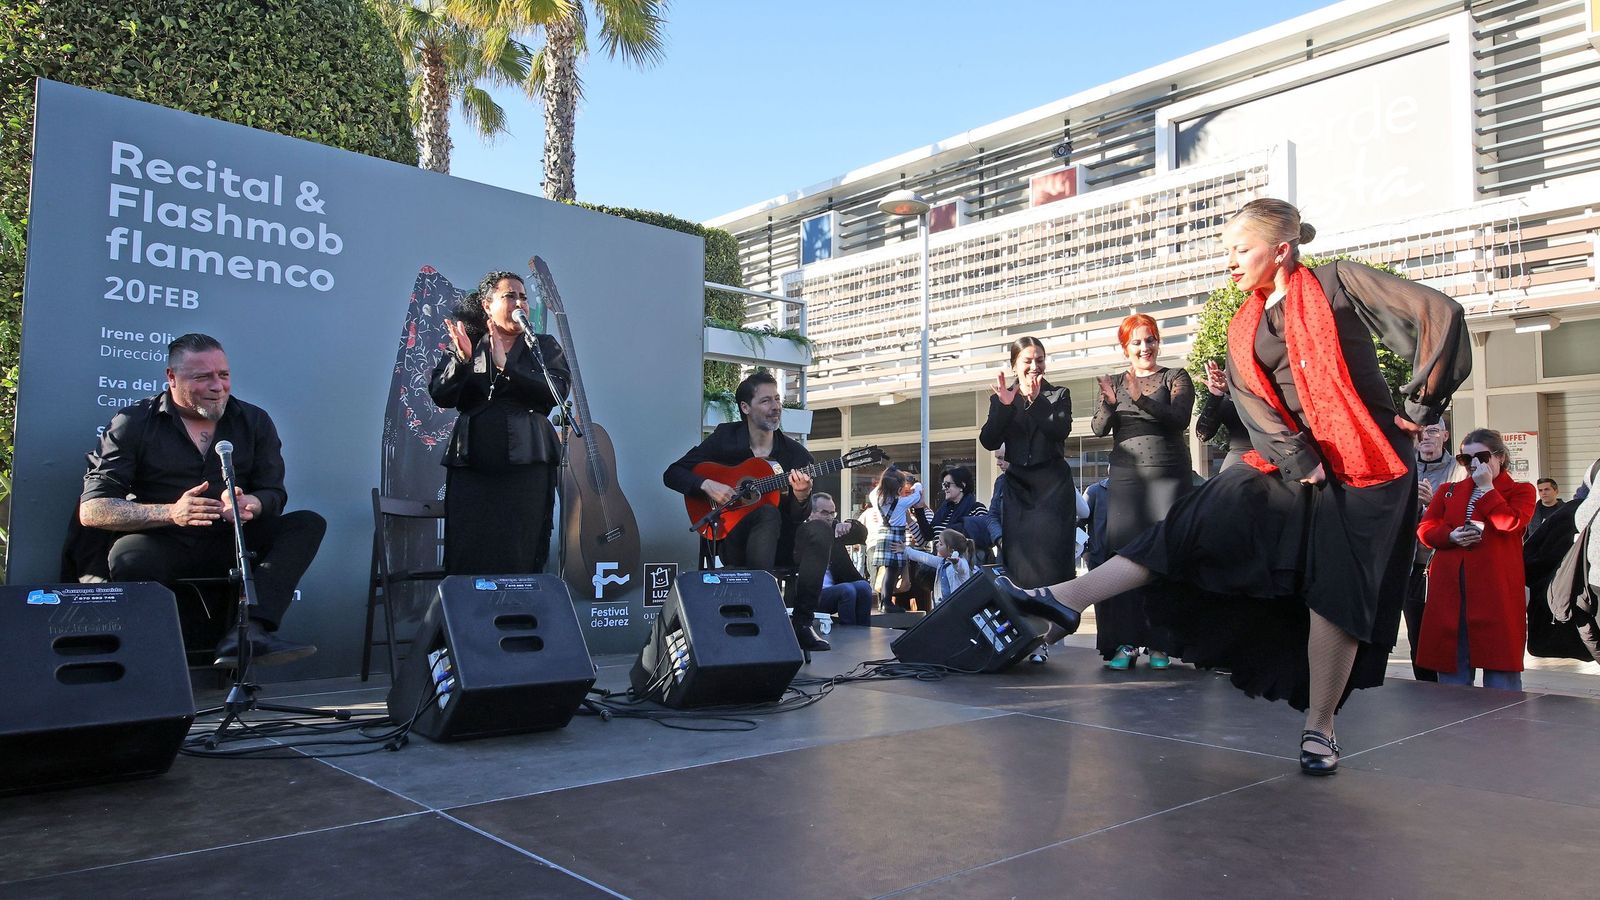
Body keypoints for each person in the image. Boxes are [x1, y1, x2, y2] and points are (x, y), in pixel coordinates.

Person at [993, 198, 1470, 775]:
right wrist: (1296, 457)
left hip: (1364, 459)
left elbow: (1440, 313)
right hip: (1287, 458)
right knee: (1194, 520)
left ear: (1282, 250)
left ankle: (1320, 727)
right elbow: (1247, 397)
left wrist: (1421, 406)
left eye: (1239, 250)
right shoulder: (1245, 319)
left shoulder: (1338, 282)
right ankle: (1064, 599)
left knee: (1335, 591)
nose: (1230, 263)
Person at [80, 333, 326, 667]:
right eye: (202, 377)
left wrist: (250, 503)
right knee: (128, 554)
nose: (217, 386)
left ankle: (251, 632)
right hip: (164, 541)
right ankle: (153, 660)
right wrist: (172, 512)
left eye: (223, 375)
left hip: (230, 541)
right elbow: (93, 509)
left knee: (307, 523)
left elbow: (274, 493)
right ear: (172, 378)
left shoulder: (253, 421)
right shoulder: (134, 422)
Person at [663, 371, 833, 651]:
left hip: (782, 544)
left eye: (777, 399)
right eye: (766, 400)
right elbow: (673, 473)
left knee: (819, 528)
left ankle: (802, 624)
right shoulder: (724, 439)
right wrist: (707, 484)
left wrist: (801, 498)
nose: (775, 406)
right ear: (745, 408)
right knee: (767, 513)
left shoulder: (796, 456)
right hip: (735, 541)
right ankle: (758, 616)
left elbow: (796, 516)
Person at [430, 271, 571, 575]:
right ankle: (464, 620)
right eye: (510, 296)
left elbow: (557, 391)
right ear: (486, 304)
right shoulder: (467, 344)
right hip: (472, 466)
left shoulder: (543, 346)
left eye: (523, 297)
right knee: (468, 550)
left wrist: (507, 368)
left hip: (527, 465)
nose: (520, 302)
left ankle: (520, 619)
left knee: (522, 548)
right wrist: (463, 362)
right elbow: (441, 394)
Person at [1090, 314, 1195, 670]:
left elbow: (1179, 419)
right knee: (1125, 559)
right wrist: (1108, 402)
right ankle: (1127, 641)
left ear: (1157, 342)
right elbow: (1099, 428)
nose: (1144, 347)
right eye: (1136, 342)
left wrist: (1141, 397)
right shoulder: (1116, 382)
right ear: (1125, 348)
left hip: (1168, 475)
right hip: (1126, 477)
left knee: (1163, 558)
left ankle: (1161, 642)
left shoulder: (1175, 376)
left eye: (1149, 339)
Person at [978, 336, 1077, 663]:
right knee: (1019, 565)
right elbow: (989, 440)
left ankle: (1049, 634)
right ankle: (1025, 638)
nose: (1034, 367)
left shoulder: (1058, 394)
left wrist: (1037, 402)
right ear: (1015, 365)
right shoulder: (1003, 397)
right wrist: (1006, 407)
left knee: (1050, 563)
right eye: (1028, 361)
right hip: (1018, 485)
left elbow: (1059, 431)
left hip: (1052, 486)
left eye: (1040, 360)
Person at [1416, 430, 1535, 689]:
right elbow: (1425, 530)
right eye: (1465, 459)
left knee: (1501, 670)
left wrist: (1487, 489)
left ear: (1500, 457)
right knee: (1452, 668)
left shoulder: (1521, 491)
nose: (1474, 465)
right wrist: (1451, 536)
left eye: (1481, 457)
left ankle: (1503, 726)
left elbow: (1510, 523)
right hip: (1452, 588)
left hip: (1495, 587)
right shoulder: (1448, 491)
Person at [1522, 468, 1595, 662]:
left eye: (1547, 489)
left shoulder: (1570, 510)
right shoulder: (1565, 512)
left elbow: (1532, 558)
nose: (1543, 493)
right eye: (1541, 490)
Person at [1406, 421, 1456, 681]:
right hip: (1411, 567)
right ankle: (1424, 689)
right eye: (1422, 432)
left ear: (1445, 436)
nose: (1426, 436)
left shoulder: (1458, 470)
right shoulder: (1404, 467)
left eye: (1434, 431)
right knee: (1418, 635)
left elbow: (1464, 517)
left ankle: (1453, 690)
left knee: (1447, 634)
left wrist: (1431, 504)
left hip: (1444, 565)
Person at [807, 492, 875, 626]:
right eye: (824, 513)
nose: (829, 518)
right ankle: (848, 633)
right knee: (847, 590)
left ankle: (863, 632)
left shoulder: (834, 530)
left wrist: (849, 524)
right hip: (810, 595)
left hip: (833, 591)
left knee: (864, 587)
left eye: (832, 513)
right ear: (810, 513)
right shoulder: (801, 533)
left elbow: (861, 535)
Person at [866, 466, 923, 611]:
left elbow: (875, 490)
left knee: (887, 571)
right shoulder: (901, 503)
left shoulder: (876, 498)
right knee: (892, 571)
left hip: (882, 534)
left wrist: (885, 480)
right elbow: (917, 495)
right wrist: (916, 484)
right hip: (896, 536)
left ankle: (883, 602)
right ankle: (887, 602)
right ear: (899, 488)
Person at [1194, 359, 1253, 472]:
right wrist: (1215, 395)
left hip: (1272, 450)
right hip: (1239, 455)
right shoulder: (1225, 380)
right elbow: (1203, 434)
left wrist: (1232, 392)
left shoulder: (1262, 379)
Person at [904, 528, 977, 608]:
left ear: (951, 550)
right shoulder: (942, 562)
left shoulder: (962, 562)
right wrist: (905, 550)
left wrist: (956, 562)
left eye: (941, 544)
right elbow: (925, 558)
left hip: (957, 607)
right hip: (942, 605)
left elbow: (961, 568)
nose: (937, 544)